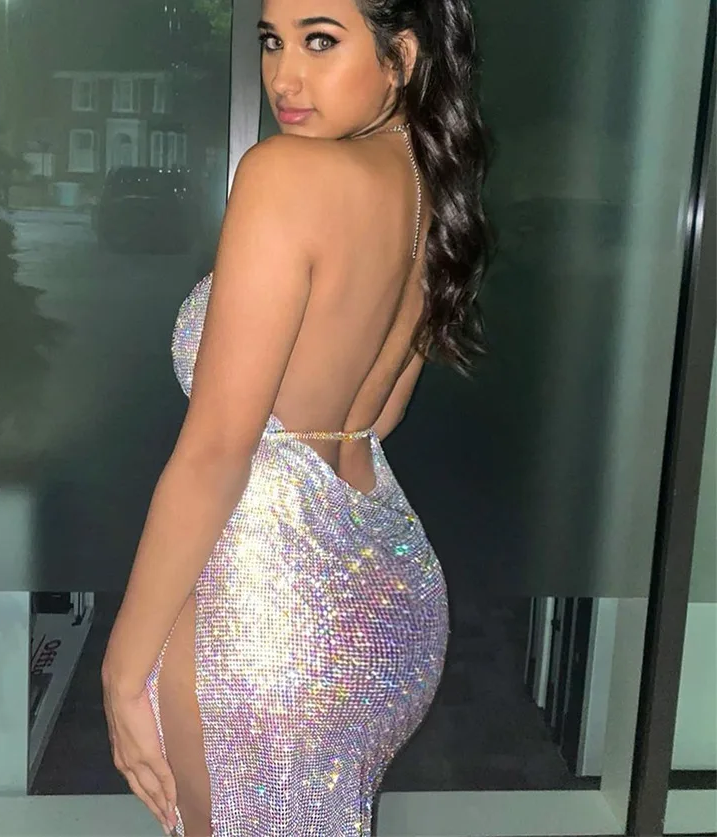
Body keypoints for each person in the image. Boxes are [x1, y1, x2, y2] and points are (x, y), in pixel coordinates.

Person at [101, 0, 488, 833]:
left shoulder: (284, 175)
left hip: (271, 613)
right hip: (390, 595)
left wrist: (121, 673)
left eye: (320, 41)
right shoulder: (432, 190)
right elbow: (375, 419)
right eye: (273, 42)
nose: (285, 76)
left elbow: (216, 452)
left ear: (401, 55)